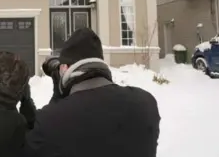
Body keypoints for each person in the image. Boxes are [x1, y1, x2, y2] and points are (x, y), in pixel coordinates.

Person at [23, 27, 161, 157]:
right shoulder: (145, 105)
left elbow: (34, 146)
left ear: (65, 69)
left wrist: (57, 93)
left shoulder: (51, 119)